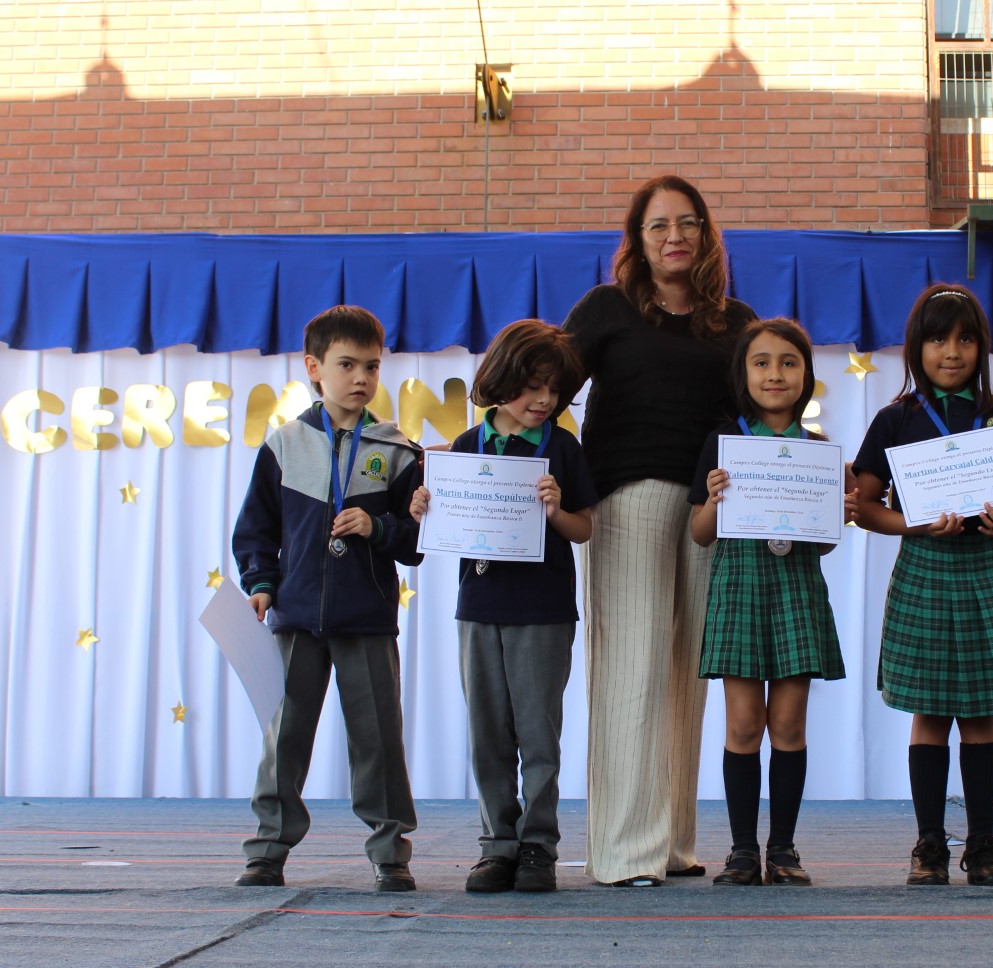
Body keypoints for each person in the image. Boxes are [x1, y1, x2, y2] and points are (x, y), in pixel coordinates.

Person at [563, 175, 758, 887]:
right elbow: (545, 383)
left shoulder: (735, 321)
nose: (674, 235)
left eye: (688, 223)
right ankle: (623, 851)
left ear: (706, 234)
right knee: (632, 671)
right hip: (628, 496)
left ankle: (671, 841)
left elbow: (764, 413)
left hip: (712, 503)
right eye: (657, 226)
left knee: (688, 676)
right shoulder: (606, 309)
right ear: (637, 240)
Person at [848, 284, 993, 888]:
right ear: (917, 347)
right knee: (930, 715)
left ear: (981, 347)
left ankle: (984, 845)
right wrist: (913, 524)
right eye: (938, 339)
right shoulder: (896, 419)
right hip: (926, 571)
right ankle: (929, 845)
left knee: (982, 715)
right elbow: (864, 506)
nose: (952, 351)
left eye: (965, 339)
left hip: (989, 572)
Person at [231, 305, 423, 892]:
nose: (361, 377)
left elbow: (416, 544)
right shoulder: (284, 446)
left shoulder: (398, 451)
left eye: (371, 365)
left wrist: (381, 527)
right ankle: (267, 849)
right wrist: (261, 585)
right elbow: (255, 529)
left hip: (365, 618)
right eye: (346, 364)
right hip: (295, 617)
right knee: (284, 735)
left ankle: (390, 852)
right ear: (314, 368)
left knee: (378, 739)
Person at [408, 320, 597, 894]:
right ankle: (497, 846)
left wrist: (556, 509)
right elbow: (446, 526)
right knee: (488, 731)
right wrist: (423, 506)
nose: (545, 400)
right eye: (533, 386)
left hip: (543, 610)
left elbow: (583, 529)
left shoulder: (562, 447)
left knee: (538, 734)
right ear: (500, 381)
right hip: (479, 607)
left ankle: (538, 844)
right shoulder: (466, 447)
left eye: (556, 390)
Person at [689, 318, 846, 887]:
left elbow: (826, 542)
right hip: (739, 587)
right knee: (742, 725)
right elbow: (700, 533)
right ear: (743, 372)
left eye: (788, 362)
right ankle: (740, 851)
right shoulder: (724, 443)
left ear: (805, 375)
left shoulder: (821, 451)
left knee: (789, 726)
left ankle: (783, 849)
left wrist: (837, 512)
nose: (774, 373)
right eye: (761, 362)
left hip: (797, 589)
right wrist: (711, 500)